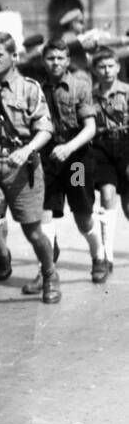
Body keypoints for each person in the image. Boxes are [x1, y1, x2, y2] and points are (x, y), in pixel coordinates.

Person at [0, 32, 58, 311]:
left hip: (23, 168)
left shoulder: (30, 88)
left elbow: (45, 129)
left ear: (13, 57)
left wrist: (28, 149)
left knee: (33, 232)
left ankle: (49, 273)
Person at [22, 41, 103, 287]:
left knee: (82, 216)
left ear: (67, 61)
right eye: (50, 58)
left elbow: (90, 128)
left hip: (76, 159)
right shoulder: (36, 88)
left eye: (60, 58)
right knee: (43, 214)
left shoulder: (80, 86)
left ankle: (99, 257)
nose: (55, 63)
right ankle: (46, 270)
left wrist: (68, 148)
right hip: (47, 160)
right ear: (43, 61)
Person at [87, 46, 129, 272]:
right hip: (102, 148)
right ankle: (107, 256)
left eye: (110, 66)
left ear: (118, 67)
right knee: (106, 196)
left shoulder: (126, 92)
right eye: (101, 67)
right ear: (94, 70)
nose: (106, 71)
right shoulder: (91, 96)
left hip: (126, 144)